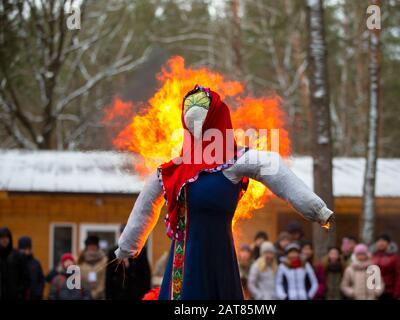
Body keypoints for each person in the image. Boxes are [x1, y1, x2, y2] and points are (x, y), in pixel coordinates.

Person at [115, 85, 334, 300]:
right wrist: (126, 246)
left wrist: (317, 209)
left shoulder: (235, 162)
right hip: (184, 261)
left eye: (202, 114)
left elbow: (273, 168)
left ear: (217, 119)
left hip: (220, 258)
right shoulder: (173, 171)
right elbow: (146, 206)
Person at [106, 225, 151, 300]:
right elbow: (108, 278)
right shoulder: (113, 253)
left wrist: (146, 296)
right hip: (118, 294)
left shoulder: (140, 252)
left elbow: (146, 275)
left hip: (136, 294)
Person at [0, 227, 29, 300]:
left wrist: (20, 293)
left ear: (9, 239)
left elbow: (25, 277)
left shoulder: (17, 256)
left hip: (14, 296)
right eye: (2, 237)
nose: (4, 240)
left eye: (6, 237)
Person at [371, 234, 400, 299]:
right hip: (374, 291)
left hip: (389, 291)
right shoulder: (371, 256)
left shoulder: (394, 257)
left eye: (383, 241)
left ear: (388, 243)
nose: (381, 243)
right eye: (379, 241)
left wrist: (397, 292)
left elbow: (398, 276)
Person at [78, 235, 108, 300]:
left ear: (97, 247)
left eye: (93, 246)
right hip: (83, 296)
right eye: (89, 246)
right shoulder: (80, 261)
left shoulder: (105, 261)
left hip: (101, 296)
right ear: (86, 247)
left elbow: (104, 280)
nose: (91, 248)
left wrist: (95, 294)